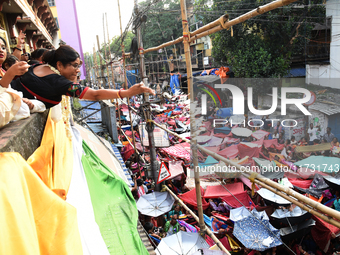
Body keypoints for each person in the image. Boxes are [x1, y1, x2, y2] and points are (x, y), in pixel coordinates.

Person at [9, 45, 155, 109]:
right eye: (74, 65)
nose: (78, 71)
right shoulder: (59, 83)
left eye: (78, 66)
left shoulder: (36, 66)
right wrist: (126, 93)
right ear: (59, 65)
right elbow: (95, 94)